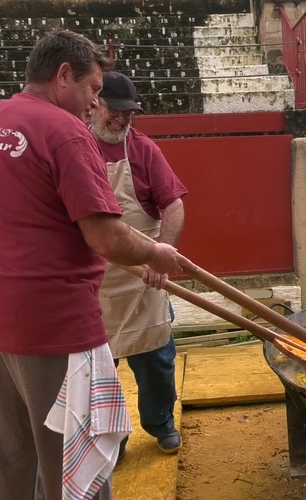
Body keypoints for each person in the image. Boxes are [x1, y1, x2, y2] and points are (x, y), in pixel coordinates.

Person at [0, 29, 194, 500]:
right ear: (64, 76)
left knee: (12, 456)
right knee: (72, 464)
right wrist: (159, 253)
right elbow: (105, 235)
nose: (94, 104)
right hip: (53, 324)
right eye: (93, 90)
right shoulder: (64, 131)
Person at [89, 72, 188, 457]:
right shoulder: (74, 147)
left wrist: (162, 253)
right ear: (95, 104)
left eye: (129, 113)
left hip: (144, 276)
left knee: (157, 361)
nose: (122, 119)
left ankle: (160, 421)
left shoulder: (144, 150)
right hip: (96, 280)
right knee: (99, 375)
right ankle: (114, 438)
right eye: (115, 110)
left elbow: (174, 204)